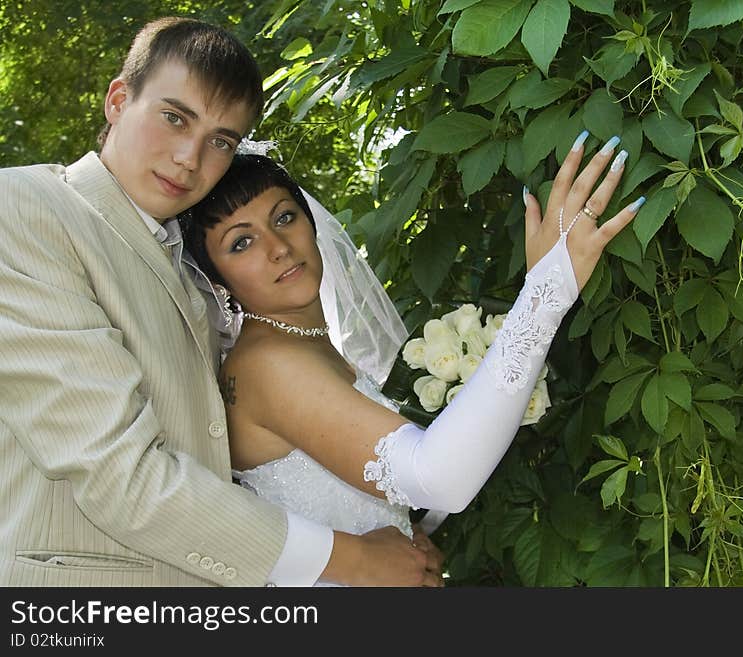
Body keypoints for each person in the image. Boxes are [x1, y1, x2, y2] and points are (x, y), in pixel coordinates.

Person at [0, 16, 442, 587]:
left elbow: (220, 454)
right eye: (174, 117)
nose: (190, 157)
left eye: (220, 141)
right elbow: (117, 473)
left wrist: (380, 536)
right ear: (117, 100)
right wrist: (352, 560)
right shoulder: (27, 209)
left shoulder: (192, 265)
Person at [180, 130, 647, 581]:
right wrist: (547, 290)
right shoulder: (268, 364)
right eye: (241, 243)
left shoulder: (306, 345)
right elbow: (440, 477)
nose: (278, 248)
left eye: (283, 218)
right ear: (216, 281)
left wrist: (407, 538)